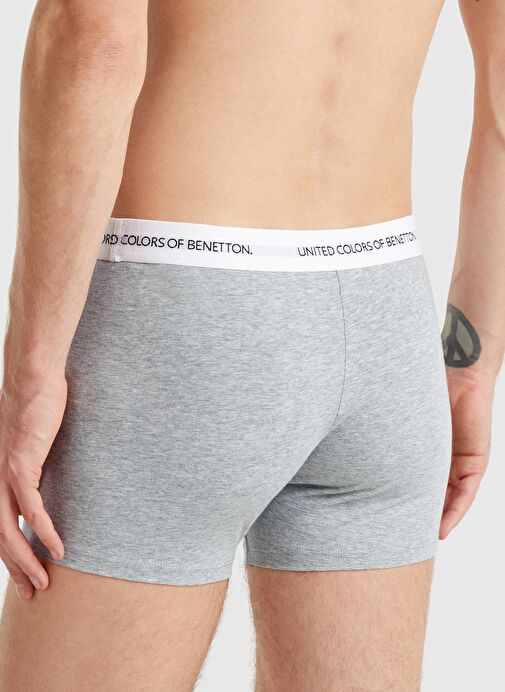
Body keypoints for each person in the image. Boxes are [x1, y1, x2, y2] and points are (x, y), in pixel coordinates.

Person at [0, 1, 501, 689]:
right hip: (385, 312)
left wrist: (30, 373)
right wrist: (475, 362)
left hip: (175, 313)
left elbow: (91, 38)